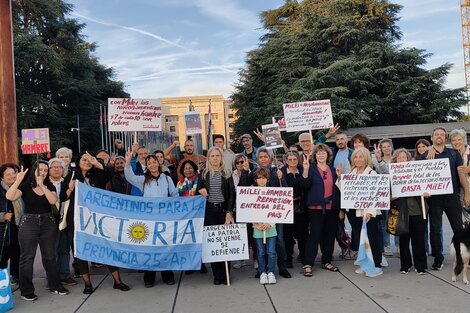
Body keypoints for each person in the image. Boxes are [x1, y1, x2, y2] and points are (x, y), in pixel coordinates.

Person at [6, 161, 69, 301]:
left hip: (48, 222)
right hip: (29, 222)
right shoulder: (25, 186)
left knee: (50, 256)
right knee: (27, 257)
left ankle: (55, 285)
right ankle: (26, 291)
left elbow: (53, 200)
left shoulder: (49, 185)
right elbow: (10, 196)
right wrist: (17, 180)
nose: (43, 172)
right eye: (40, 169)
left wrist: (42, 185)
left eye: (46, 170)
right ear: (34, 170)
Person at [69, 151, 130, 294]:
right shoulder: (72, 176)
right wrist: (70, 187)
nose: (86, 162)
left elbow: (110, 173)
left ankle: (117, 281)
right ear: (78, 162)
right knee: (81, 253)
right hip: (79, 221)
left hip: (99, 220)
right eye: (84, 160)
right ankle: (87, 284)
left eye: (89, 160)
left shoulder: (98, 174)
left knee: (106, 248)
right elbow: (63, 196)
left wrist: (97, 163)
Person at [125, 150, 178, 287]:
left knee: (164, 247)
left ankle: (167, 275)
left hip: (165, 219)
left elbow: (174, 194)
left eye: (154, 162)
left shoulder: (167, 178)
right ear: (146, 166)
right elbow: (129, 176)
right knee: (150, 249)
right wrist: (128, 161)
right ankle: (149, 277)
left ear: (159, 163)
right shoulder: (142, 180)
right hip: (148, 220)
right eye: (149, 163)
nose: (153, 165)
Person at [420, 127, 470, 271]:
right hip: (434, 199)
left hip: (452, 197)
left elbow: (461, 175)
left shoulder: (453, 154)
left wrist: (467, 193)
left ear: (445, 138)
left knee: (458, 229)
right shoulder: (425, 155)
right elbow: (420, 177)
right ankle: (438, 258)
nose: (439, 136)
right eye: (437, 134)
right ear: (432, 137)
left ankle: (462, 256)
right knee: (435, 230)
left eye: (442, 134)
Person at [241, 148, 291, 279]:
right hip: (258, 215)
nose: (263, 158)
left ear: (270, 158)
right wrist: (245, 171)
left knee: (279, 240)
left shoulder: (276, 171)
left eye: (265, 156)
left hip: (274, 214)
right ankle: (262, 269)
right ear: (258, 159)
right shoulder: (253, 173)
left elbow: (284, 191)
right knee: (261, 245)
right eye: (261, 156)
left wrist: (282, 178)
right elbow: (244, 189)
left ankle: (282, 267)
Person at [337, 147, 383, 277]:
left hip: (369, 214)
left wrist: (369, 212)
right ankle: (364, 263)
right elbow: (344, 191)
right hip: (355, 212)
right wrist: (340, 177)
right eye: (355, 157)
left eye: (361, 157)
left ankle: (377, 265)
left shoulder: (371, 174)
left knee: (373, 239)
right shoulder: (351, 173)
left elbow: (376, 195)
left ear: (366, 158)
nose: (358, 159)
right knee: (361, 240)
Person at [197, 147, 235, 285]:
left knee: (225, 243)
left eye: (217, 156)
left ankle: (226, 274)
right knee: (213, 244)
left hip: (223, 211)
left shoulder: (227, 173)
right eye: (212, 156)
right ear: (208, 158)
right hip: (209, 211)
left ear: (221, 157)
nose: (215, 158)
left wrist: (229, 212)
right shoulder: (203, 174)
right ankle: (217, 275)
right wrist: (200, 192)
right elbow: (197, 193)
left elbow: (232, 195)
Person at [302, 144, 341, 276]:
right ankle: (308, 263)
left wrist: (340, 177)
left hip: (331, 208)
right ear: (315, 156)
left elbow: (338, 189)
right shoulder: (311, 169)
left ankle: (327, 261)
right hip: (315, 208)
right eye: (318, 153)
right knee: (314, 235)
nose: (321, 155)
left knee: (329, 236)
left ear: (328, 155)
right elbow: (305, 185)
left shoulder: (333, 169)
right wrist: (306, 170)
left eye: (323, 153)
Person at [391, 148, 428, 275]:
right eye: (398, 158)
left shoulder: (417, 172)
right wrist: (391, 196)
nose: (401, 159)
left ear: (408, 159)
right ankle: (405, 265)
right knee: (403, 240)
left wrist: (426, 193)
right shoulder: (392, 175)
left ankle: (420, 266)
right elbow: (385, 194)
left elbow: (427, 186)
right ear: (395, 160)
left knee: (419, 240)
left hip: (417, 211)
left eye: (404, 157)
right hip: (401, 213)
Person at [48, 158, 77, 286]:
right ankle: (52, 278)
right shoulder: (42, 183)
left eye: (59, 167)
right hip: (48, 220)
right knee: (51, 251)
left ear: (63, 170)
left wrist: (70, 188)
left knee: (64, 248)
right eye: (53, 167)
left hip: (66, 219)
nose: (56, 169)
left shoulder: (67, 182)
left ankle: (64, 275)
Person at [281, 151, 308, 268]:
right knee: (287, 235)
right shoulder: (281, 173)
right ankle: (288, 258)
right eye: (290, 159)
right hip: (286, 207)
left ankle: (303, 255)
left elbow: (306, 186)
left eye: (295, 159)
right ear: (286, 161)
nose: (292, 162)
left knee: (303, 234)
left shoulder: (302, 171)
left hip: (300, 206)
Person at [252, 168, 277, 285]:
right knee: (260, 252)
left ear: (267, 179)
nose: (261, 181)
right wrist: (256, 224)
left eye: (263, 178)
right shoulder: (251, 194)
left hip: (271, 228)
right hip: (257, 228)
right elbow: (248, 211)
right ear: (256, 180)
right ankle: (262, 272)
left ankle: (271, 271)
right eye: (259, 178)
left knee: (271, 252)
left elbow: (278, 210)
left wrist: (270, 223)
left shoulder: (273, 193)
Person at [372, 138, 396, 258]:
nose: (386, 148)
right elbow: (384, 174)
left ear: (392, 147)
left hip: (397, 194)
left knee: (397, 220)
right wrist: (379, 160)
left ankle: (398, 245)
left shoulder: (397, 159)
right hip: (383, 194)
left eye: (388, 146)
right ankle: (386, 245)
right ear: (380, 149)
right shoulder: (375, 160)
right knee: (384, 222)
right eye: (384, 147)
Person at [0, 163, 21, 286]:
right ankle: (2, 279)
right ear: (2, 177)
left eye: (14, 173)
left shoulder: (20, 187)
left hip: (17, 226)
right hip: (2, 229)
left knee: (17, 252)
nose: (12, 176)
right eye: (8, 174)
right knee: (2, 255)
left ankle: (15, 276)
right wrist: (2, 216)